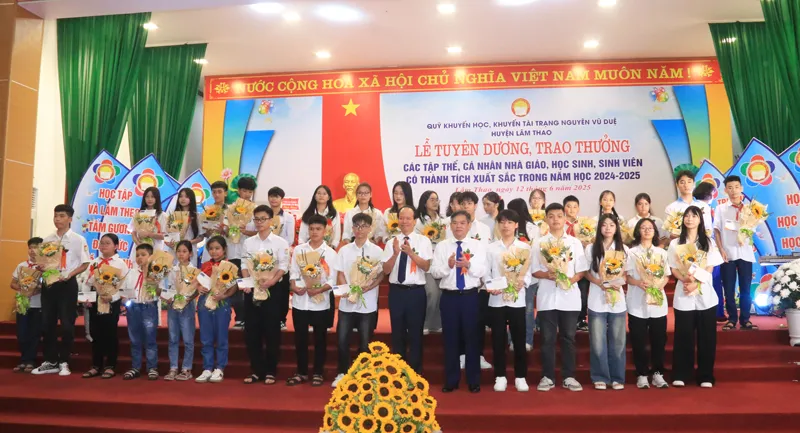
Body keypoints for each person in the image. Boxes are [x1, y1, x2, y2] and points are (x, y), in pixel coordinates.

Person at [531, 203, 588, 392]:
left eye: (559, 216)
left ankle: (569, 376)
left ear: (565, 219)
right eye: (551, 216)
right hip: (547, 297)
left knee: (568, 338)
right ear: (546, 219)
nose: (555, 220)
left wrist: (571, 280)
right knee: (547, 339)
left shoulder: (574, 243)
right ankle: (547, 376)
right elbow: (534, 270)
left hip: (569, 297)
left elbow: (581, 270)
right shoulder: (539, 243)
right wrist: (547, 275)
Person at [431, 210, 487, 393]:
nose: (458, 226)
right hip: (450, 297)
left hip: (470, 297)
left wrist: (468, 265)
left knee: (472, 338)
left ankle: (473, 380)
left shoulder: (477, 246)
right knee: (450, 339)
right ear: (450, 225)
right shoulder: (442, 246)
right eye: (455, 223)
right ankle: (451, 380)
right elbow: (435, 272)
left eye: (462, 223)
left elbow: (482, 271)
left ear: (469, 225)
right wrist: (447, 266)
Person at [32, 204, 90, 377]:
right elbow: (43, 263)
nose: (58, 219)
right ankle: (50, 361)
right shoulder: (47, 240)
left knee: (66, 324)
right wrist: (41, 266)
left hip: (67, 284)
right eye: (56, 216)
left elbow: (85, 263)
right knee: (47, 323)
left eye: (62, 216)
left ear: (70, 219)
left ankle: (64, 361)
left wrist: (69, 274)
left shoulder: (78, 239)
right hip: (49, 284)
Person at [668, 206, 723, 388]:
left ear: (700, 220)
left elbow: (710, 267)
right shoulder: (675, 243)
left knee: (707, 338)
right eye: (687, 216)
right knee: (683, 336)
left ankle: (706, 375)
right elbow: (673, 267)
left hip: (705, 295)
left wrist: (696, 282)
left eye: (694, 216)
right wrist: (685, 279)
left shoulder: (708, 242)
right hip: (684, 292)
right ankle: (681, 374)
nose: (690, 219)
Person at [332, 212, 384, 387]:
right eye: (357, 226)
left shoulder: (377, 251)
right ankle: (342, 373)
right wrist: (349, 289)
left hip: (367, 303)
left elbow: (381, 274)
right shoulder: (345, 250)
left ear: (370, 229)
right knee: (342, 340)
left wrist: (368, 286)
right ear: (352, 228)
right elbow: (340, 273)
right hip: (347, 303)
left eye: (364, 226)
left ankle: (363, 374)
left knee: (365, 341)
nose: (360, 230)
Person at [241, 205, 290, 385]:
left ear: (271, 220)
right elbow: (244, 264)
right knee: (252, 331)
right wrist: (247, 282)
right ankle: (256, 370)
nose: (259, 222)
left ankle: (270, 371)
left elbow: (283, 266)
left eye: (263, 219)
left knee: (271, 331)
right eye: (257, 219)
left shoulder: (280, 242)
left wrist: (271, 281)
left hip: (272, 290)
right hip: (252, 289)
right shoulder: (248, 242)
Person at [287, 214, 338, 387]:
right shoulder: (299, 250)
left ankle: (318, 372)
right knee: (300, 339)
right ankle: (301, 372)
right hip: (300, 301)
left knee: (320, 339)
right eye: (311, 229)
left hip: (320, 302)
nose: (314, 232)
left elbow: (333, 279)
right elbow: (293, 272)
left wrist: (320, 289)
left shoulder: (330, 253)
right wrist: (293, 286)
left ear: (325, 231)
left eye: (318, 229)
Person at [382, 206, 432, 374]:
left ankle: (415, 372)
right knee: (397, 332)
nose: (404, 221)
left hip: (416, 293)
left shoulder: (423, 241)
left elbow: (426, 266)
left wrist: (411, 253)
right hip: (396, 292)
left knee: (416, 333)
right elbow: (386, 270)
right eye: (401, 218)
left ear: (415, 221)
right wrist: (395, 254)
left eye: (408, 218)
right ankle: (399, 372)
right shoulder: (391, 242)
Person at [486, 210, 530, 392]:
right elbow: (486, 273)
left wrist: (522, 282)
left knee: (519, 340)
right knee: (497, 340)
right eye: (502, 222)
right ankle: (500, 376)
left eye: (509, 222)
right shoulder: (491, 248)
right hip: (496, 300)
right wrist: (490, 286)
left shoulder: (524, 248)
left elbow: (528, 273)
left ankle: (520, 377)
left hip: (517, 300)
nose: (505, 225)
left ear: (516, 225)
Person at [448, 191, 492, 369]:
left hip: (478, 282)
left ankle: (478, 355)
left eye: (469, 203)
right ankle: (460, 355)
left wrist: (485, 279)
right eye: (462, 203)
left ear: (475, 206)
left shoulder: (484, 229)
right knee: (458, 322)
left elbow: (487, 256)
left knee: (478, 322)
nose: (466, 206)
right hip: (457, 281)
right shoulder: (451, 228)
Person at [625, 218, 671, 389]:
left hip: (657, 302)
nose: (646, 230)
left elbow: (666, 275)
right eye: (643, 228)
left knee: (659, 339)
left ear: (654, 231)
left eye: (650, 228)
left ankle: (658, 373)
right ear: (638, 231)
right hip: (637, 301)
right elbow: (627, 277)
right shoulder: (632, 253)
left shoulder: (661, 253)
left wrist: (659, 286)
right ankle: (642, 374)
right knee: (638, 340)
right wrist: (638, 283)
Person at [585, 214, 628, 390]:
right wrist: (598, 282)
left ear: (616, 228)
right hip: (597, 298)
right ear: (599, 228)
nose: (608, 228)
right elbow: (586, 272)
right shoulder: (591, 248)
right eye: (604, 225)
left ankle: (617, 377)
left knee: (618, 342)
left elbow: (627, 273)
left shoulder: (624, 249)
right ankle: (600, 376)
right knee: (597, 342)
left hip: (617, 300)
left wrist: (619, 281)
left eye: (611, 225)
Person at [715, 175, 761, 331]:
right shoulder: (721, 208)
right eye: (730, 187)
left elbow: (753, 229)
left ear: (741, 188)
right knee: (728, 289)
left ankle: (745, 319)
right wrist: (721, 249)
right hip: (727, 254)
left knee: (746, 289)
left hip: (745, 253)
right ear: (725, 190)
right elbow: (717, 230)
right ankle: (732, 319)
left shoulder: (750, 209)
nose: (733, 190)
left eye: (736, 187)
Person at [81, 234, 128, 380]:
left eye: (107, 243)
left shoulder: (120, 264)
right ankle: (96, 365)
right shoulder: (94, 262)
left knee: (110, 333)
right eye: (102, 243)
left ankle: (110, 366)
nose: (103, 246)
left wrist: (112, 298)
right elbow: (86, 281)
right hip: (95, 300)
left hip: (111, 301)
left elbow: (124, 286)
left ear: (116, 246)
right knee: (95, 333)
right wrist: (86, 298)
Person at [196, 236, 239, 383]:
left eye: (217, 248)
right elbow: (198, 282)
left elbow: (233, 287)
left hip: (222, 303)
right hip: (204, 303)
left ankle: (220, 368)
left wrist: (224, 295)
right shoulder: (205, 265)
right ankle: (207, 368)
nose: (214, 251)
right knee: (206, 337)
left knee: (221, 337)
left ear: (224, 249)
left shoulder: (229, 267)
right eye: (211, 249)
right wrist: (199, 288)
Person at [121, 244, 162, 380]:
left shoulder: (156, 272)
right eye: (137, 255)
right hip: (133, 307)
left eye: (143, 255)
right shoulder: (131, 272)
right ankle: (136, 367)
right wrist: (124, 299)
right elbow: (124, 289)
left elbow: (160, 292)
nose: (140, 258)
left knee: (150, 338)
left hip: (149, 307)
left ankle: (152, 367)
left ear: (151, 256)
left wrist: (153, 282)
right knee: (134, 338)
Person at [506, 198, 539, 351]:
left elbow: (535, 252)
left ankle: (527, 340)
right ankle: (512, 340)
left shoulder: (533, 228)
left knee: (528, 310)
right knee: (513, 309)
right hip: (511, 275)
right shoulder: (508, 227)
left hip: (529, 277)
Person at [163, 241, 199, 381]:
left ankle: (186, 368)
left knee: (188, 338)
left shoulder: (194, 271)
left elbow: (197, 290)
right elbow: (167, 287)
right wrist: (167, 297)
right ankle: (173, 367)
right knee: (173, 338)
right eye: (179, 251)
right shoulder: (172, 269)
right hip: (173, 305)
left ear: (190, 253)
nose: (181, 254)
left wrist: (189, 298)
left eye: (184, 251)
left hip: (187, 306)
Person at [693, 181, 726, 323]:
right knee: (714, 281)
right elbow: (708, 230)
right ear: (709, 194)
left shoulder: (692, 206)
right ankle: (717, 312)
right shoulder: (705, 208)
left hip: (695, 249)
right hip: (707, 247)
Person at [228, 176, 259, 329]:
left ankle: (249, 317)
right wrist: (226, 229)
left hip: (248, 253)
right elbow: (225, 228)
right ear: (238, 190)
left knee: (248, 286)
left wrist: (246, 231)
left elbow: (260, 231)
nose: (247, 194)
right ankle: (239, 317)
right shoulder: (230, 208)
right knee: (234, 285)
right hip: (232, 251)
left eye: (250, 192)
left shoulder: (256, 210)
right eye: (244, 191)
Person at [10, 237, 44, 374]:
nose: (32, 250)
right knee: (22, 333)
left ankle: (30, 361)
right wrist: (24, 289)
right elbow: (13, 283)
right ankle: (23, 360)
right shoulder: (21, 265)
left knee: (34, 333)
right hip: (22, 304)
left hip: (38, 304)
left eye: (36, 247)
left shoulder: (45, 267)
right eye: (30, 248)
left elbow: (48, 285)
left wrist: (37, 289)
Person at [415, 190, 445, 335]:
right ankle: (425, 323)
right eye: (432, 199)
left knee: (442, 292)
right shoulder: (418, 222)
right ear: (424, 202)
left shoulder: (443, 221)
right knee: (432, 292)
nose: (435, 202)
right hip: (426, 262)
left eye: (436, 199)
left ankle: (437, 324)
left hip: (442, 261)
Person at [267, 186, 295, 330]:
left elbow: (290, 239)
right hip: (265, 257)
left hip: (282, 257)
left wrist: (277, 246)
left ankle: (281, 319)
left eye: (276, 196)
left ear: (281, 199)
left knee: (282, 290)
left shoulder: (288, 217)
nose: (273, 199)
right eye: (271, 196)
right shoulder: (265, 215)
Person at [563, 195, 590, 333]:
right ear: (564, 208)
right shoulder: (560, 224)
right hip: (564, 265)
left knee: (583, 293)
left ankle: (581, 319)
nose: (572, 209)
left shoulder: (585, 225)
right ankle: (564, 320)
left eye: (574, 206)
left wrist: (587, 243)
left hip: (581, 263)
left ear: (578, 208)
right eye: (568, 206)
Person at [665, 170, 713, 237]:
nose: (686, 185)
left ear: (694, 184)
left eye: (689, 182)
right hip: (681, 242)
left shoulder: (704, 206)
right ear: (677, 185)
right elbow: (668, 232)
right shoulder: (671, 208)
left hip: (701, 242)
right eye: (682, 182)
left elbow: (708, 229)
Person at [341, 182, 386, 247]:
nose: (363, 195)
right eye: (360, 193)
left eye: (366, 193)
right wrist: (352, 246)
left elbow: (380, 232)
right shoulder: (350, 213)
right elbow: (346, 234)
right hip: (353, 245)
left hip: (371, 245)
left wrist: (374, 242)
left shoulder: (377, 213)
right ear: (356, 195)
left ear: (371, 194)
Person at [299, 185, 341, 249]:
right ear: (315, 196)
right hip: (309, 248)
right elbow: (302, 234)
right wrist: (303, 247)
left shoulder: (334, 213)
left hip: (328, 247)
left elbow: (337, 232)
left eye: (324, 194)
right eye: (319, 193)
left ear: (328, 197)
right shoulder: (308, 213)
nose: (321, 196)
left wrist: (333, 246)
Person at [165, 188, 204, 258]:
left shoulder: (197, 216)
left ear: (191, 199)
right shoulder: (173, 215)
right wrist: (168, 243)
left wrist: (188, 243)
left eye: (186, 196)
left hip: (189, 250)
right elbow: (166, 234)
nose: (183, 199)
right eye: (181, 196)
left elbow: (201, 237)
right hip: (174, 250)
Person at [129, 187, 168, 252]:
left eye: (152, 197)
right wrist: (139, 244)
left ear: (157, 198)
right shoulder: (139, 214)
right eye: (147, 196)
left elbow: (166, 236)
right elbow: (133, 232)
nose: (149, 199)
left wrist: (149, 234)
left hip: (155, 250)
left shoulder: (162, 215)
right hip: (139, 249)